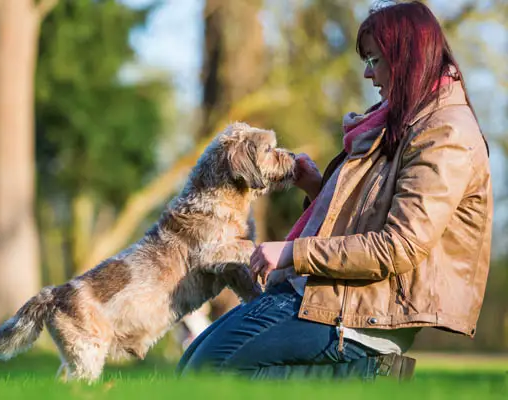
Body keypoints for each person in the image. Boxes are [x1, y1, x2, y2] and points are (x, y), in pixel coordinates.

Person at [176, 0, 492, 381]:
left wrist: (293, 252)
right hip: (331, 295)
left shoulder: (446, 134)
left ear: (407, 59)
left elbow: (400, 246)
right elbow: (370, 213)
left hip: (363, 311)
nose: (367, 74)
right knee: (192, 363)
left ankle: (367, 374)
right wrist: (316, 188)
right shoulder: (403, 120)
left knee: (208, 373)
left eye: (375, 61)